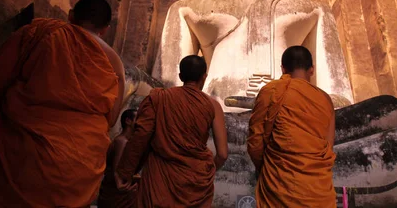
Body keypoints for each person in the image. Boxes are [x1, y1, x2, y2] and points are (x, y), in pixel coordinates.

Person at [0, 0, 125, 208]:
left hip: (18, 155)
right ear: (106, 29)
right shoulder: (114, 63)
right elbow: (111, 118)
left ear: (71, 15)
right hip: (78, 166)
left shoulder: (39, 33)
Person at [116, 55, 228, 208]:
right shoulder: (213, 105)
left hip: (160, 180)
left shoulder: (159, 98)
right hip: (196, 182)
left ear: (181, 76)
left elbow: (140, 137)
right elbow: (222, 154)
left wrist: (125, 172)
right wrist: (205, 170)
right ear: (204, 77)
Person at [248, 46, 336, 207]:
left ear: (283, 69)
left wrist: (268, 169)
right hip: (318, 190)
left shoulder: (271, 91)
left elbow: (255, 142)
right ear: (312, 70)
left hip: (278, 186)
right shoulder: (325, 100)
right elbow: (328, 147)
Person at [98, 109, 138, 208]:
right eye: (137, 118)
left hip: (113, 193)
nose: (141, 122)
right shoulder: (122, 141)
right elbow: (118, 173)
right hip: (115, 196)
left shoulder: (125, 141)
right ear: (128, 121)